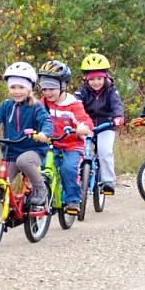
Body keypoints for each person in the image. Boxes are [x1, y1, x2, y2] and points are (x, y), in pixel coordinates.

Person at [0, 62, 52, 207]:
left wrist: (44, 133)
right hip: (11, 152)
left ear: (29, 88)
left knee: (23, 161)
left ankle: (40, 190)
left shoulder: (36, 107)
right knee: (1, 183)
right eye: (13, 87)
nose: (17, 91)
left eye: (21, 87)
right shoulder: (6, 106)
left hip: (32, 150)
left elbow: (46, 121)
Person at [38, 60, 93, 215]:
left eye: (52, 88)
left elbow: (85, 120)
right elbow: (34, 116)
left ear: (63, 86)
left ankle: (73, 200)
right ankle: (41, 198)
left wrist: (83, 127)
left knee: (68, 169)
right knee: (41, 167)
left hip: (72, 144)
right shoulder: (43, 103)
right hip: (51, 144)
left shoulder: (73, 104)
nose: (48, 93)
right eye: (44, 88)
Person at [74, 53, 124, 194]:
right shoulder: (82, 91)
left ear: (105, 77)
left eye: (99, 78)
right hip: (87, 126)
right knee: (78, 151)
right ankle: (77, 179)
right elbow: (74, 102)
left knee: (104, 151)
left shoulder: (111, 90)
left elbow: (117, 105)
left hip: (106, 125)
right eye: (92, 79)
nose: (96, 82)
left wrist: (118, 117)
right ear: (86, 79)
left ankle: (108, 181)